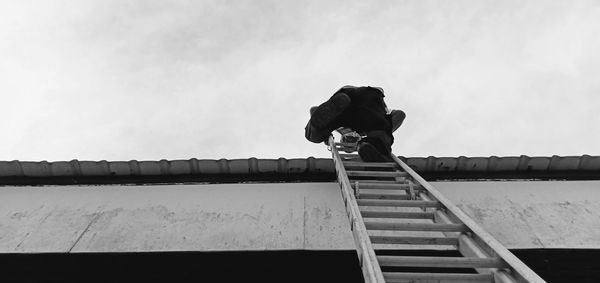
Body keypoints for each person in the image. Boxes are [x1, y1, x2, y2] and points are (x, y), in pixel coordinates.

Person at [305, 85, 406, 162]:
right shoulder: (368, 130)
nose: (351, 139)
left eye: (347, 142)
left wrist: (326, 137)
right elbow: (400, 114)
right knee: (379, 134)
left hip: (349, 97)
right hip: (368, 98)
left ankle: (316, 129)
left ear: (343, 138)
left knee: (315, 135)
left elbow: (314, 110)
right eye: (351, 144)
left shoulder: (340, 127)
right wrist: (386, 130)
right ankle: (375, 147)